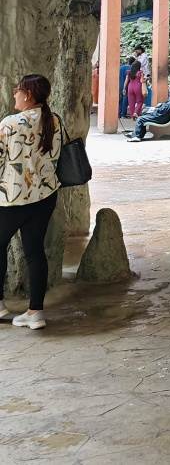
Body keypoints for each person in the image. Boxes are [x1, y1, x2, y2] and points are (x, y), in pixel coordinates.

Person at [0, 75, 63, 330]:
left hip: (12, 198)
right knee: (35, 252)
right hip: (44, 196)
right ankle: (35, 312)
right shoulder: (54, 120)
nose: (14, 95)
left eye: (17, 91)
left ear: (27, 94)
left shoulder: (10, 123)